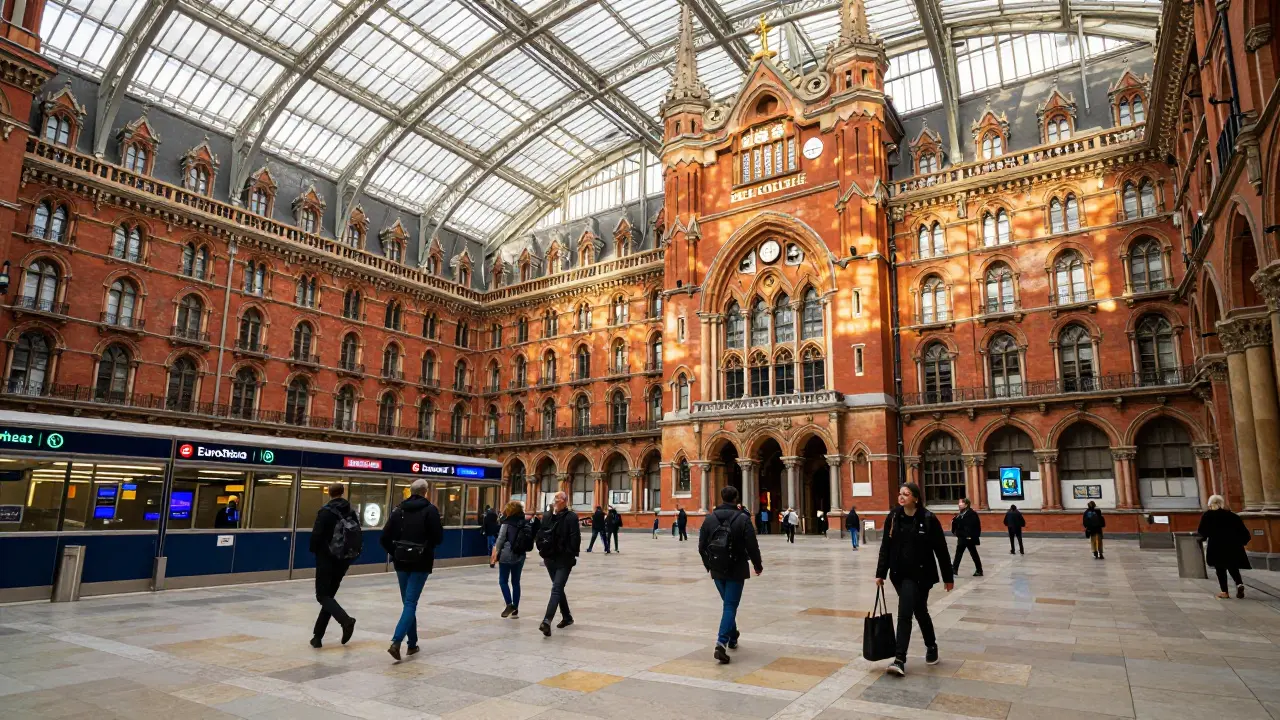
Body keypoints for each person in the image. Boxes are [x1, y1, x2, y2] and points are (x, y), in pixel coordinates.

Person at [875, 482, 954, 677]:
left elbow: (941, 550)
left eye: (907, 494)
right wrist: (880, 573)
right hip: (898, 575)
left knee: (905, 613)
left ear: (916, 498)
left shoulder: (928, 518)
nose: (901, 497)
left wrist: (948, 577)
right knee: (919, 610)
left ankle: (899, 659)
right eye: (900, 493)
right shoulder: (894, 516)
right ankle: (931, 645)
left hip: (921, 575)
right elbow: (886, 546)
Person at [698, 486, 763, 664]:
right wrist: (757, 565)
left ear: (722, 497)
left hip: (717, 568)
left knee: (728, 604)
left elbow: (701, 546)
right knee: (730, 606)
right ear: (736, 498)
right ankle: (721, 643)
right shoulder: (743, 518)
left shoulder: (709, 518)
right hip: (737, 568)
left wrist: (708, 565)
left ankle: (733, 636)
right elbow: (752, 545)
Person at [380, 478, 443, 661]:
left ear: (410, 491)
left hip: (401, 562)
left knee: (408, 602)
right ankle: (396, 641)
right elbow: (438, 538)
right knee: (410, 603)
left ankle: (412, 644)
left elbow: (384, 537)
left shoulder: (399, 510)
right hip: (421, 562)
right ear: (425, 491)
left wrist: (395, 552)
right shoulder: (430, 510)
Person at [309, 484, 358, 649]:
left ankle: (346, 620)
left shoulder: (325, 512)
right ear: (342, 493)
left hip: (326, 559)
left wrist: (315, 551)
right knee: (329, 596)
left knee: (322, 596)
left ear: (329, 494)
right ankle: (317, 636)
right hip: (343, 559)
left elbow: (316, 536)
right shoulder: (350, 511)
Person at [537, 491, 581, 636]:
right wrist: (542, 549)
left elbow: (575, 538)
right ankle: (567, 617)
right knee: (558, 587)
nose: (555, 501)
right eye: (555, 498)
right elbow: (541, 534)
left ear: (565, 501)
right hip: (549, 558)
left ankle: (547, 621)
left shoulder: (571, 517)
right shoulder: (548, 516)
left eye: (558, 499)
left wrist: (570, 554)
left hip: (564, 559)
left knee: (556, 588)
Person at [1197, 495, 1251, 599]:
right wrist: (1242, 542)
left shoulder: (1208, 515)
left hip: (1216, 546)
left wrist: (1203, 538)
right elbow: (1243, 532)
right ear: (1221, 503)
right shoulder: (1232, 515)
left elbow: (1202, 531)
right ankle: (1239, 583)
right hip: (1232, 546)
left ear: (1210, 504)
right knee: (1233, 566)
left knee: (1220, 569)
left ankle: (1224, 592)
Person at [491, 500, 531, 617]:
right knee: (516, 582)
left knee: (503, 580)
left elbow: (500, 539)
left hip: (507, 554)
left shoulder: (507, 523)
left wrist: (495, 554)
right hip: (520, 555)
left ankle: (509, 604)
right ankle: (515, 608)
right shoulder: (524, 522)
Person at [950, 498, 983, 576]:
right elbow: (957, 524)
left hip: (969, 537)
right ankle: (954, 569)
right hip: (962, 537)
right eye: (959, 503)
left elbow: (975, 526)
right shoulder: (960, 514)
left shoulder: (972, 514)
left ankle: (979, 570)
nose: (959, 504)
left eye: (961, 503)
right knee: (959, 553)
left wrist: (973, 536)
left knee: (973, 553)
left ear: (966, 505)